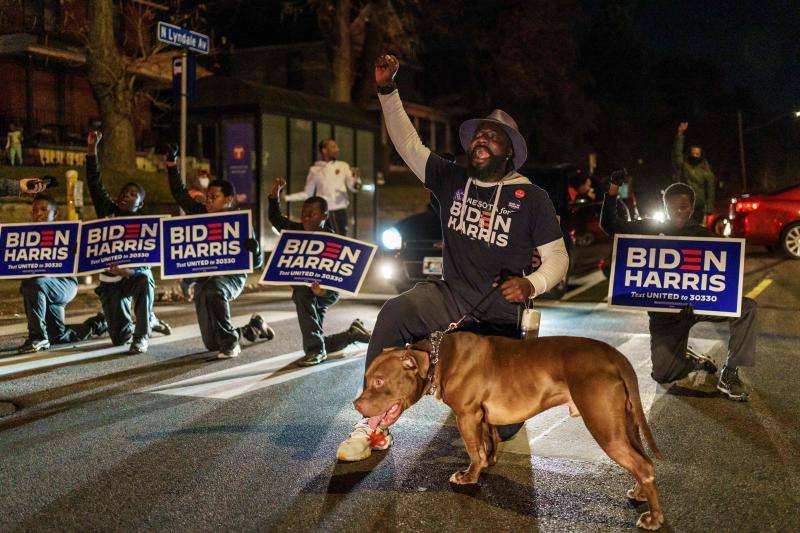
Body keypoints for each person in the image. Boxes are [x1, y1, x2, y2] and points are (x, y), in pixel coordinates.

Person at [335, 54, 569, 462]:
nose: (481, 140)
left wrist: (533, 283)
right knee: (394, 312)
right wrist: (388, 91)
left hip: (498, 312)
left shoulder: (532, 198)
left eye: (492, 138)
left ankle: (476, 396)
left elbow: (558, 258)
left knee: (504, 426)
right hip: (451, 296)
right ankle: (373, 422)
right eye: (478, 135)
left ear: (509, 153)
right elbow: (408, 144)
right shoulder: (452, 179)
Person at [600, 173, 756, 401]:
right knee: (664, 374)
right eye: (672, 208)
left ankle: (730, 372)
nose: (678, 212)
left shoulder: (703, 236)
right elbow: (609, 225)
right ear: (665, 207)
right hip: (665, 315)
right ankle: (690, 359)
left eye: (683, 207)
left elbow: (724, 274)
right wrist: (613, 188)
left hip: (696, 306)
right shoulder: (649, 230)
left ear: (692, 208)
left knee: (747, 307)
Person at [165, 144, 274, 358]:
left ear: (228, 200)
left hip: (230, 278)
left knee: (214, 290)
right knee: (211, 343)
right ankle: (254, 327)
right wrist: (171, 164)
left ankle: (231, 343)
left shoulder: (238, 223)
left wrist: (256, 251)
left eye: (214, 196)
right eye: (207, 195)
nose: (208, 199)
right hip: (204, 278)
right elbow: (179, 193)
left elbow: (257, 264)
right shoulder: (199, 213)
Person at [268, 176, 371, 366]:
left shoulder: (332, 241)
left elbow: (337, 282)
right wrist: (275, 195)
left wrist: (322, 291)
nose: (305, 217)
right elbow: (275, 218)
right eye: (304, 213)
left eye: (311, 213)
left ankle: (316, 352)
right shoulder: (296, 231)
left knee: (301, 295)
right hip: (308, 290)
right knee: (314, 334)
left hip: (325, 293)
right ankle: (350, 334)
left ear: (324, 216)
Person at [85, 131, 155, 355]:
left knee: (144, 280)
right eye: (125, 192)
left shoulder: (145, 224)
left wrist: (129, 271)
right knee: (119, 338)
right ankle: (146, 321)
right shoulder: (108, 211)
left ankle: (142, 334)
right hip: (109, 282)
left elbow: (149, 259)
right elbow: (94, 182)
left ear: (140, 203)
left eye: (133, 194)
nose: (126, 195)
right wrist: (91, 149)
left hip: (132, 276)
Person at [18, 194, 107, 353]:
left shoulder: (66, 234)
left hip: (64, 284)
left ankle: (37, 337)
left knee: (34, 282)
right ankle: (99, 323)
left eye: (44, 209)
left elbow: (82, 257)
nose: (38, 213)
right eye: (35, 210)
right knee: (58, 335)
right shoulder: (24, 237)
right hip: (41, 289)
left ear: (55, 214)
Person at [282, 138, 362, 236]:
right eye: (333, 147)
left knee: (340, 240)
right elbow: (308, 193)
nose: (337, 149)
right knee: (323, 239)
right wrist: (286, 197)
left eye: (337, 147)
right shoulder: (315, 169)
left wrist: (356, 178)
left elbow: (354, 188)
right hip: (323, 212)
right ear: (324, 150)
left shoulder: (343, 166)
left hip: (339, 210)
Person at [673, 122, 716, 224]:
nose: (695, 156)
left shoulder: (706, 172)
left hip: (700, 208)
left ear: (701, 155)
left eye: (697, 154)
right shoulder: (685, 167)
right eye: (693, 153)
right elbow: (677, 154)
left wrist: (709, 208)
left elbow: (710, 191)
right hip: (685, 205)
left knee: (698, 231)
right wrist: (680, 134)